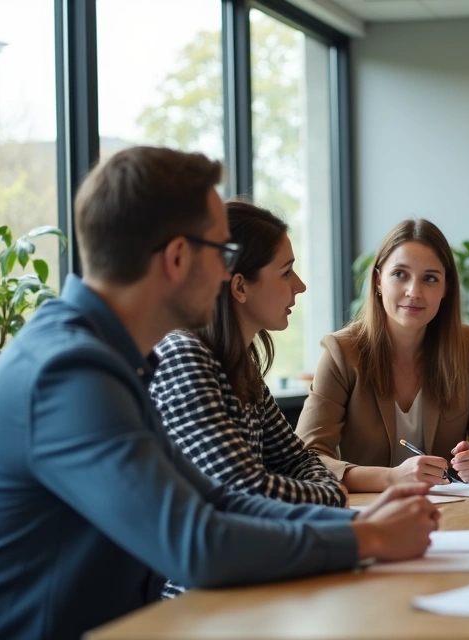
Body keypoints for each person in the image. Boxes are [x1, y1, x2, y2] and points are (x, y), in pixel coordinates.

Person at [0, 147, 439, 640]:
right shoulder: (67, 372)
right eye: (221, 252)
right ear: (178, 258)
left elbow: (217, 500)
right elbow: (195, 544)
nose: (229, 274)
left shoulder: (112, 357)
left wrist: (361, 522)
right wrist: (365, 536)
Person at [149, 199, 347, 598]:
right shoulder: (185, 356)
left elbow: (297, 458)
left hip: (250, 572)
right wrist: (331, 494)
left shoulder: (241, 363)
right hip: (196, 596)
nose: (300, 286)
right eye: (286, 272)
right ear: (239, 286)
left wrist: (322, 489)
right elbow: (244, 490)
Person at [295, 218, 469, 492]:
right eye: (400, 274)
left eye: (430, 278)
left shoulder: (466, 345)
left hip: (450, 509)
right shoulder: (342, 351)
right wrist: (390, 478)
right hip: (370, 513)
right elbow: (306, 459)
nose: (414, 291)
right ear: (378, 281)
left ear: (445, 289)